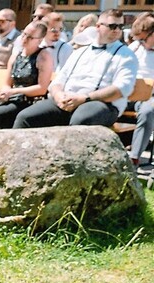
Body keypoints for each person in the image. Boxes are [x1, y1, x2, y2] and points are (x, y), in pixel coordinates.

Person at [14, 9, 138, 129]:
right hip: (67, 100)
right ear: (98, 26)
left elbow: (123, 88)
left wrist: (85, 98)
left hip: (102, 104)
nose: (117, 30)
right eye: (112, 26)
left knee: (80, 121)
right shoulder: (80, 51)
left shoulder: (126, 55)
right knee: (25, 117)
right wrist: (58, 96)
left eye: (120, 26)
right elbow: (58, 82)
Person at [0, 21, 54, 133]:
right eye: (24, 34)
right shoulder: (16, 55)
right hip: (12, 98)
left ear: (40, 40)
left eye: (30, 37)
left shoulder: (43, 57)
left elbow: (41, 88)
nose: (24, 39)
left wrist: (13, 91)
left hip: (29, 101)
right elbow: (7, 83)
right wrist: (4, 92)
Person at [125, 13, 154, 167]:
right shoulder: (134, 48)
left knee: (148, 112)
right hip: (127, 93)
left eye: (143, 39)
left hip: (148, 97)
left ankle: (134, 158)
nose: (140, 43)